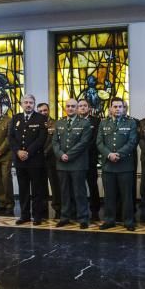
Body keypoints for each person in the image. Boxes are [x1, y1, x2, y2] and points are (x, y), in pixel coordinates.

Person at [96, 98, 138, 231]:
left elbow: (132, 142)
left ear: (124, 108)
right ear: (110, 108)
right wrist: (109, 154)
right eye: (115, 106)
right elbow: (99, 142)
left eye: (120, 106)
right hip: (108, 165)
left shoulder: (131, 123)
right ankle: (109, 220)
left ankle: (128, 221)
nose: (118, 109)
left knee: (127, 196)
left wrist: (118, 154)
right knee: (109, 195)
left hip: (125, 165)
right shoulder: (103, 123)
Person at [53, 98, 93, 229]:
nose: (70, 108)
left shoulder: (85, 123)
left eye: (73, 106)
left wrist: (68, 155)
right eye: (68, 106)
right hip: (62, 163)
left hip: (78, 163)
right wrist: (60, 154)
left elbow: (83, 143)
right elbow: (55, 142)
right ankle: (65, 217)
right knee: (64, 192)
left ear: (77, 108)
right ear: (65, 108)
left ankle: (83, 218)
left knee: (79, 192)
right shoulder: (59, 123)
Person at [9, 94, 48, 225]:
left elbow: (41, 139)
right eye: (25, 102)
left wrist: (28, 152)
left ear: (34, 103)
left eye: (31, 102)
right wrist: (18, 151)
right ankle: (24, 215)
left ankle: (37, 216)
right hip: (20, 161)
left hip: (35, 160)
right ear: (21, 104)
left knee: (37, 190)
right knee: (23, 189)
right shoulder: (16, 118)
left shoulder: (41, 118)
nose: (28, 104)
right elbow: (11, 137)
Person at [78, 99, 102, 220]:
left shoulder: (96, 121)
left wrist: (82, 149)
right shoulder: (74, 121)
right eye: (80, 106)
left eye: (85, 106)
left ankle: (95, 211)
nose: (82, 108)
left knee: (93, 185)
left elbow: (96, 139)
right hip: (76, 160)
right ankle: (79, 210)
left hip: (90, 158)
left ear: (89, 108)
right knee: (78, 186)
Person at [37, 102, 61, 219]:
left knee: (55, 185)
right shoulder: (36, 123)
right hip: (38, 160)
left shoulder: (55, 123)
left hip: (52, 159)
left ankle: (57, 208)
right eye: (40, 111)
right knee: (41, 186)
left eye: (45, 110)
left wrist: (45, 152)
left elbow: (54, 141)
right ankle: (42, 208)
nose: (43, 113)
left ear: (49, 110)